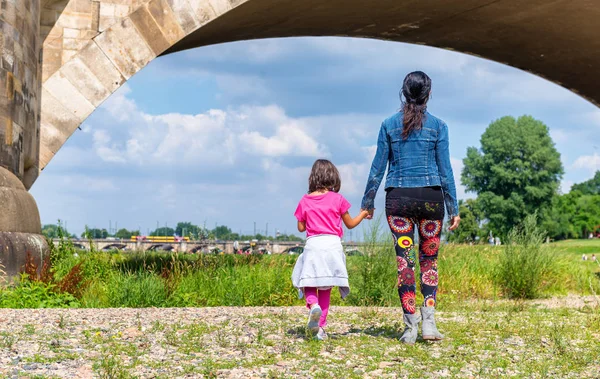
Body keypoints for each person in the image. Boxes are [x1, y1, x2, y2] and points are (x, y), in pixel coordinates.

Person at [360, 71, 460, 344]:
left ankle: (410, 328)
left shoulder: (388, 124)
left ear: (404, 94)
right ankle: (429, 325)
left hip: (398, 201)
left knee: (405, 263)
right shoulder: (439, 126)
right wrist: (454, 208)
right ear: (428, 94)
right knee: (429, 260)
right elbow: (445, 170)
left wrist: (367, 203)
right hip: (431, 201)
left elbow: (377, 167)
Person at [292, 159, 369, 341]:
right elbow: (350, 224)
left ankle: (313, 304)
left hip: (314, 244)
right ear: (333, 177)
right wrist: (363, 214)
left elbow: (301, 228)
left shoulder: (305, 200)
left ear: (313, 177)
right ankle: (320, 328)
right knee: (326, 286)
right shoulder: (338, 199)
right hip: (333, 245)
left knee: (308, 280)